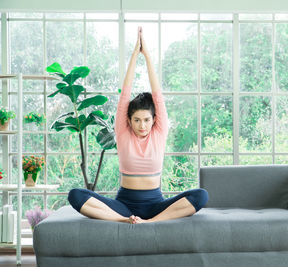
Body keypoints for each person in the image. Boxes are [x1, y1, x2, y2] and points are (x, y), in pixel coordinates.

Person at [67, 27, 209, 224]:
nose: (142, 125)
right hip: (123, 206)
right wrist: (134, 54)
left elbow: (157, 94)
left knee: (201, 195)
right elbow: (125, 93)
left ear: (154, 120)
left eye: (146, 120)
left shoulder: (159, 132)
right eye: (137, 120)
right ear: (129, 120)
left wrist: (147, 55)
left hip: (156, 206)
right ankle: (122, 220)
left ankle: (149, 222)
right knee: (75, 195)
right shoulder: (123, 132)